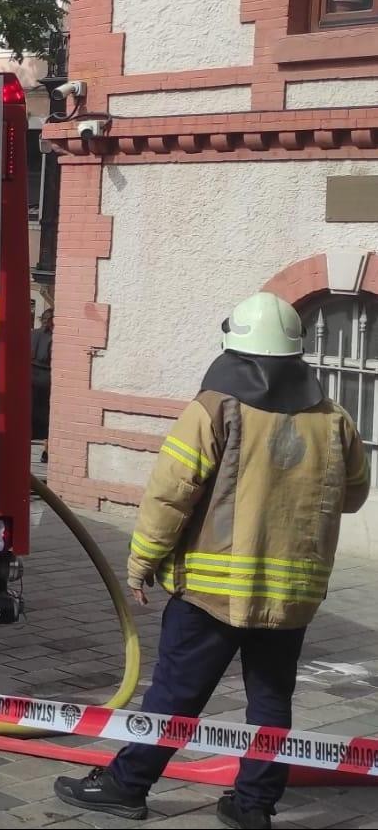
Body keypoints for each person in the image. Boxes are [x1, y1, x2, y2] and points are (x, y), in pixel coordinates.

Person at [55, 292, 369, 830]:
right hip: (290, 599)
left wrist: (141, 561)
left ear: (235, 350)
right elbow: (355, 494)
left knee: (175, 696)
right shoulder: (333, 418)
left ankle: (126, 787)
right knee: (271, 705)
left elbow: (170, 494)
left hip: (209, 592)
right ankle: (253, 807)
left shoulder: (213, 408)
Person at [31, 308, 53, 451]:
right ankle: (46, 449)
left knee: (31, 412)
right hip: (46, 376)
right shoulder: (53, 337)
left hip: (30, 374)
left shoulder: (32, 334)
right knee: (46, 415)